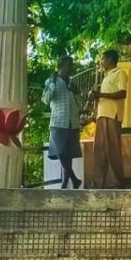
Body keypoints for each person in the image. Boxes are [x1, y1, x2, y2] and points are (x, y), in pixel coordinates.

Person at [42, 55, 82, 189]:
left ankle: (65, 184)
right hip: (58, 122)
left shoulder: (72, 84)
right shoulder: (50, 81)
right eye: (69, 65)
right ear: (62, 66)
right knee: (60, 152)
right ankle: (75, 179)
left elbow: (78, 104)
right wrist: (53, 84)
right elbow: (46, 100)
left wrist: (76, 93)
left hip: (73, 122)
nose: (71, 68)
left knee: (68, 153)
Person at [90, 50, 128, 188]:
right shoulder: (105, 76)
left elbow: (122, 93)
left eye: (103, 58)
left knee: (113, 151)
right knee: (99, 150)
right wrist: (97, 97)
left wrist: (100, 94)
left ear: (111, 59)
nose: (101, 61)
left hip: (112, 116)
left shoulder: (120, 73)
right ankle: (98, 184)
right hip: (101, 116)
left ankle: (119, 183)